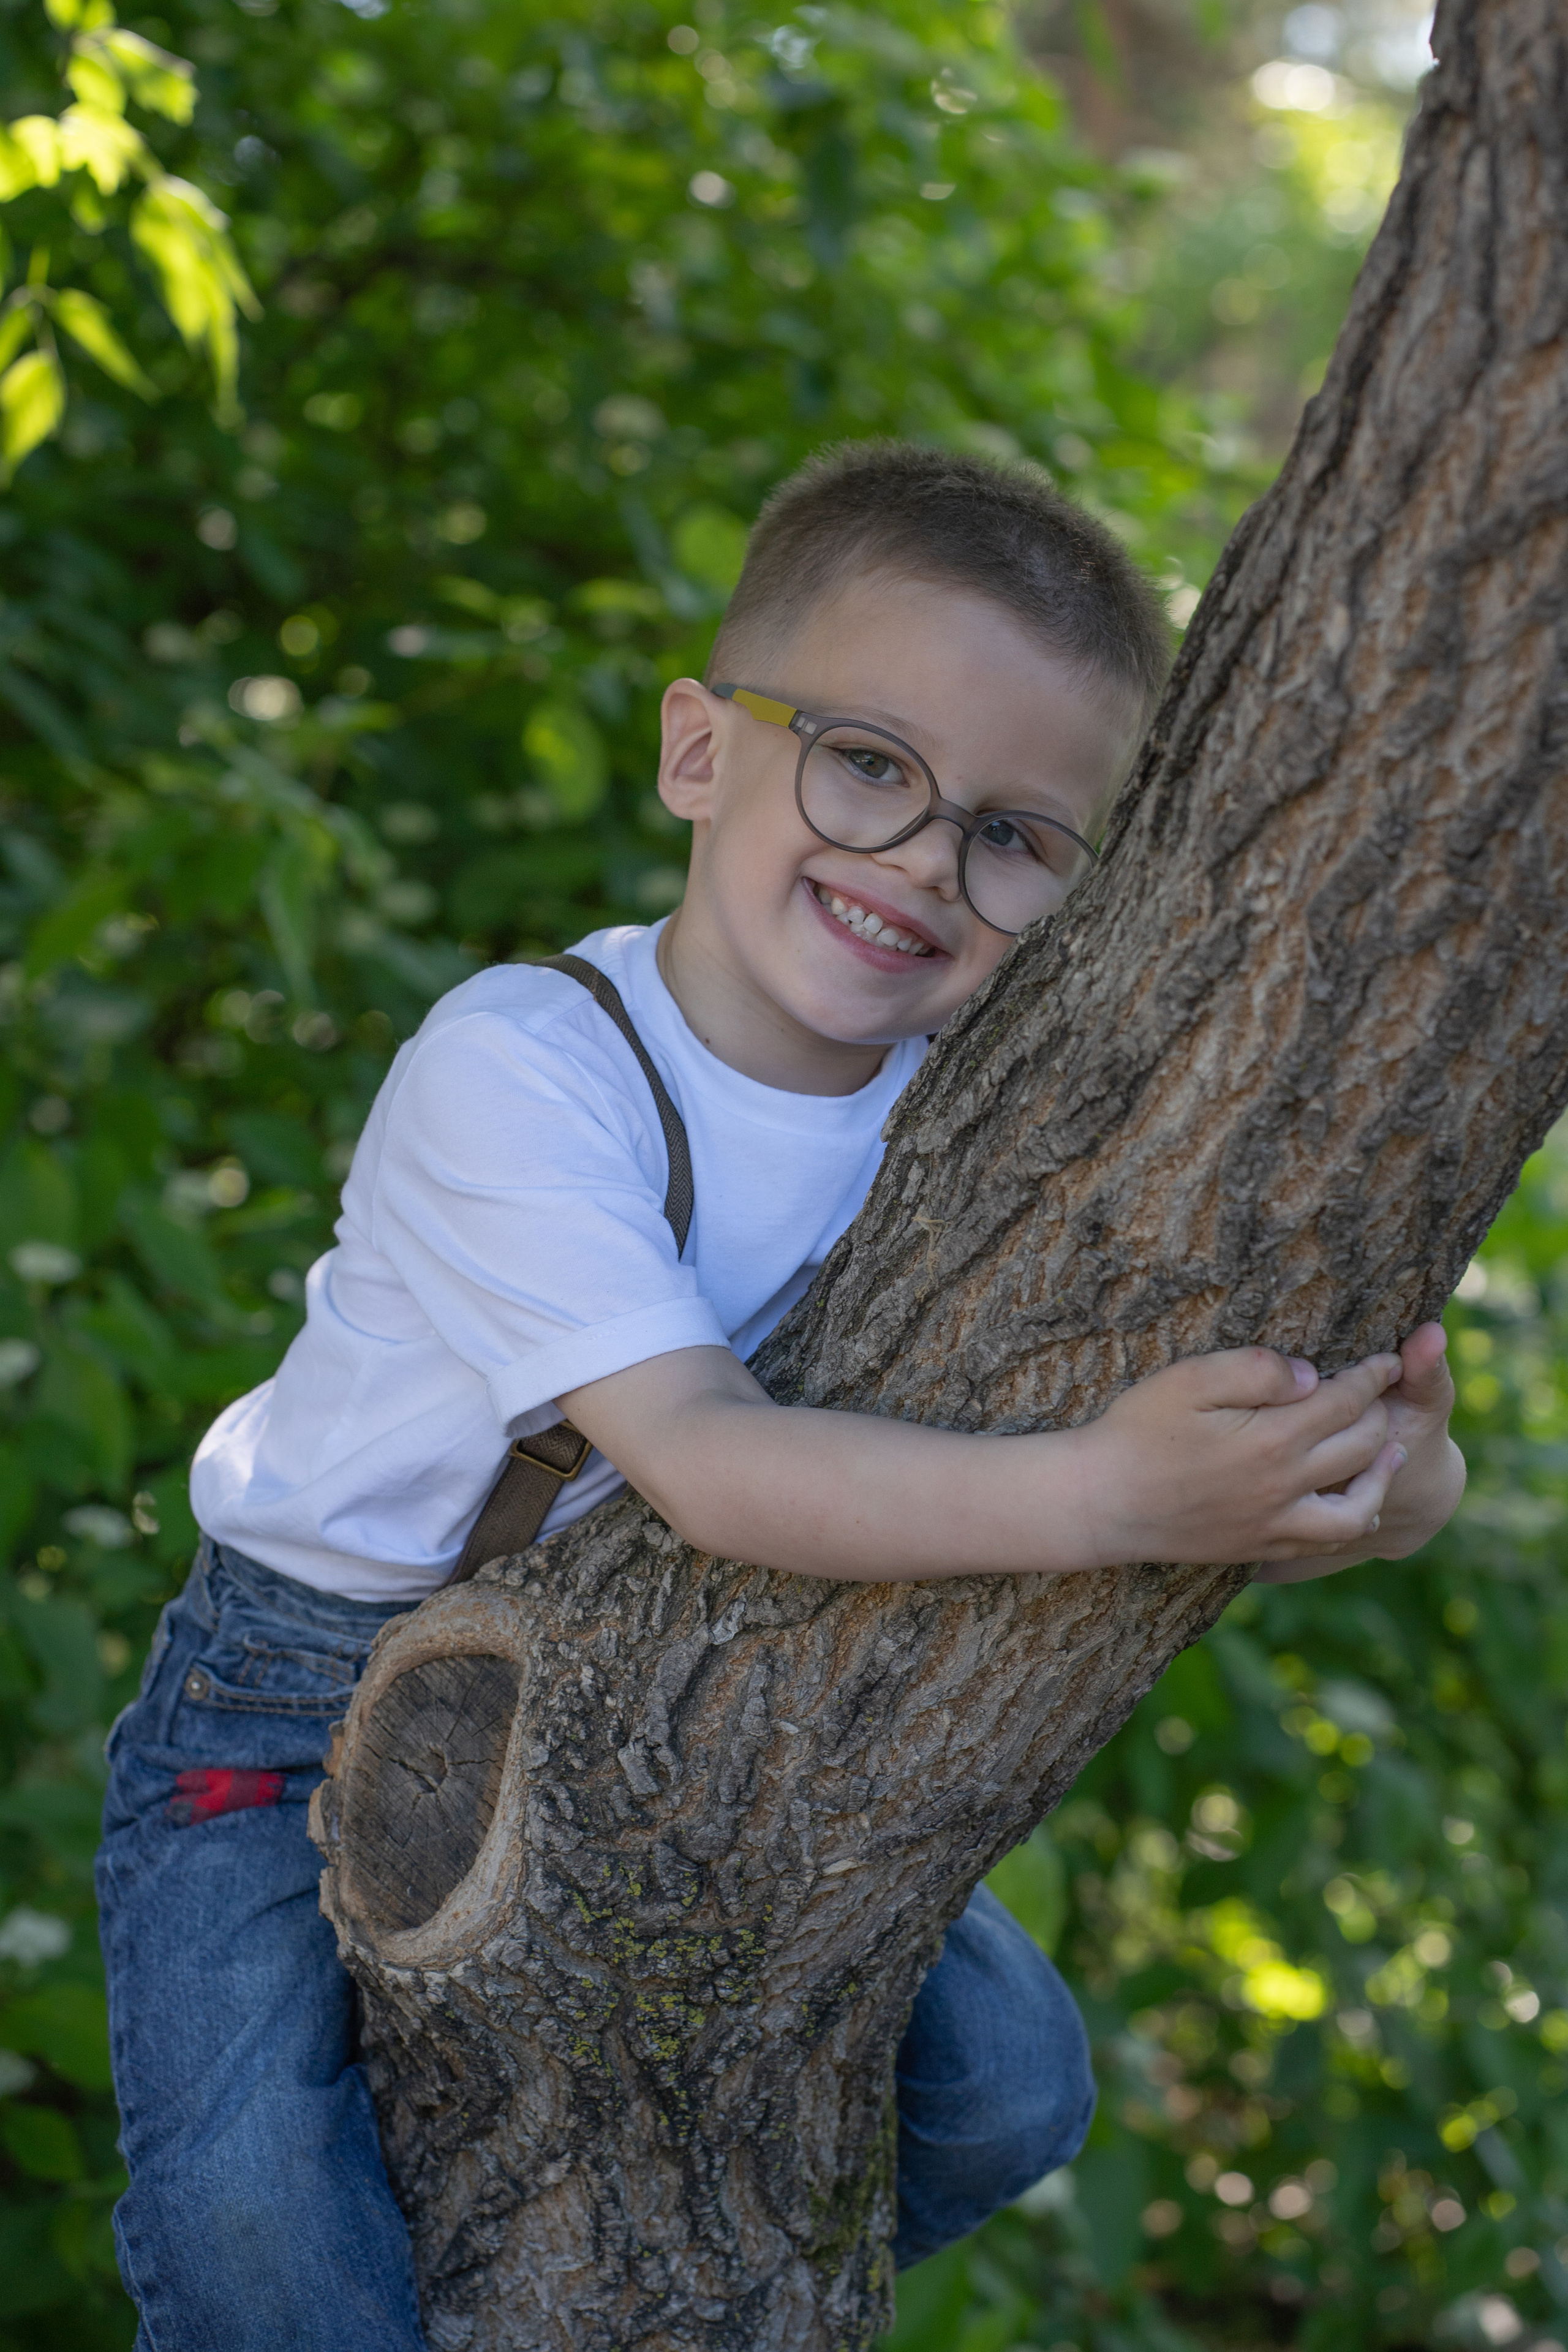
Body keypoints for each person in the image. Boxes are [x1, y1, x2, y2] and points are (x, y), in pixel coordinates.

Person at [97, 442, 1464, 2350]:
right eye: (869, 762)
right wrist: (1107, 1498)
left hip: (659, 1694)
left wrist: (1378, 1478)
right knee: (262, 2243)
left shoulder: (983, 1133)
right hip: (300, 1688)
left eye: (1014, 833)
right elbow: (719, 1464)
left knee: (1012, 2088)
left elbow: (1206, 1463)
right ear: (699, 752)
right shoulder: (521, 1071)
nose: (921, 855)